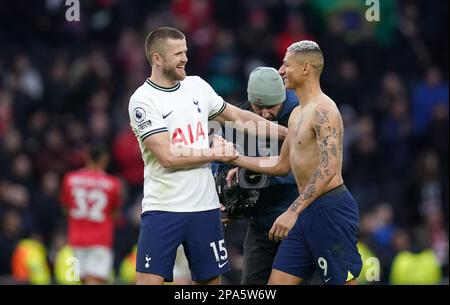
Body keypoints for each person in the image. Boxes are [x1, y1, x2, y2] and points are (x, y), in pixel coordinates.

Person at [128, 27, 287, 285]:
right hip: (164, 208)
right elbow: (167, 155)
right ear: (157, 59)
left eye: (186, 52)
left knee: (211, 283)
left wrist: (288, 134)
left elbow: (238, 117)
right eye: (178, 53)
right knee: (148, 282)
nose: (185, 58)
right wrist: (214, 152)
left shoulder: (197, 86)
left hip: (205, 208)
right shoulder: (143, 100)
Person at [231, 40, 363, 285]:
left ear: (305, 68)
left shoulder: (325, 110)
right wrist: (238, 159)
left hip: (330, 210)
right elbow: (282, 165)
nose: (280, 71)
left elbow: (330, 170)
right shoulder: (296, 113)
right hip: (305, 213)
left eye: (285, 64)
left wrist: (292, 211)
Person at [223, 66, 299, 284]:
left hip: (296, 220)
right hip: (261, 223)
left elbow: (311, 170)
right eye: (259, 107)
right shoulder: (239, 116)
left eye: (272, 106)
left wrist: (253, 169)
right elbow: (221, 162)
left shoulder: (301, 113)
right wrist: (225, 200)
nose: (265, 114)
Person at [60, 144, 122, 284]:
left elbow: (65, 208)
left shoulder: (70, 179)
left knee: (79, 280)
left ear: (87, 157)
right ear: (105, 159)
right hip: (100, 240)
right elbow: (115, 213)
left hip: (76, 239)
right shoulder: (112, 184)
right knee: (95, 281)